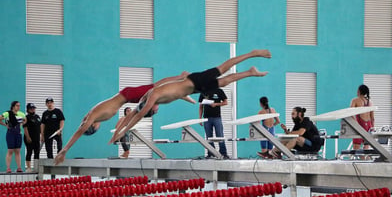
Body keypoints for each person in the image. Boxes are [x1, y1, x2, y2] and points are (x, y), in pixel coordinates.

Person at [110, 49, 272, 143]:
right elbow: (134, 113)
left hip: (195, 82)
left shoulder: (152, 96)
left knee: (223, 69)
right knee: (224, 82)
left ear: (150, 106)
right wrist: (119, 131)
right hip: (193, 89)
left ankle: (253, 54)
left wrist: (123, 132)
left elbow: (138, 115)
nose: (157, 110)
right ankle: (250, 72)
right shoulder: (152, 98)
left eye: (154, 110)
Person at [54, 72, 194, 165]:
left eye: (95, 129)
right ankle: (181, 92)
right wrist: (116, 134)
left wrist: (65, 150)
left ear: (92, 127)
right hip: (128, 98)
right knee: (155, 94)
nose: (98, 128)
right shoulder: (95, 115)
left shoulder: (93, 117)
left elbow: (80, 130)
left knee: (156, 87)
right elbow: (124, 120)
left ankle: (180, 79)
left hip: (127, 95)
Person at [199, 88, 230, 159]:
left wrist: (216, 104)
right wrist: (200, 118)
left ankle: (223, 153)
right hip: (206, 118)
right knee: (208, 136)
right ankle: (211, 152)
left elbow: (225, 102)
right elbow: (201, 106)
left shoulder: (219, 91)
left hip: (217, 117)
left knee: (220, 135)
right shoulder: (203, 92)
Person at [0, 101, 26, 173]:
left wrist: (21, 125)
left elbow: (25, 120)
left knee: (18, 151)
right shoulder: (7, 113)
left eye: (19, 106)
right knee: (10, 150)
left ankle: (19, 168)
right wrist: (5, 125)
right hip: (10, 133)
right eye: (17, 105)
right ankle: (8, 168)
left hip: (18, 134)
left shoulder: (21, 114)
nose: (18, 107)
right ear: (13, 106)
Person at [350, 84, 375, 151]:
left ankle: (361, 159)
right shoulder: (370, 102)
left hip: (360, 124)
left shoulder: (355, 100)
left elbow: (350, 113)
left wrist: (355, 123)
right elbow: (372, 118)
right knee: (366, 148)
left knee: (356, 148)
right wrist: (372, 128)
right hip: (368, 125)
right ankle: (364, 159)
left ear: (359, 91)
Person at [23, 103, 41, 172]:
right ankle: (28, 168)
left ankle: (36, 168)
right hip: (29, 138)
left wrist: (42, 135)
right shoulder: (26, 117)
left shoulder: (37, 117)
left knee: (37, 152)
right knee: (29, 151)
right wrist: (27, 137)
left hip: (36, 138)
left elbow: (40, 127)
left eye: (34, 108)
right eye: (31, 108)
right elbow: (25, 128)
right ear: (28, 110)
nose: (33, 109)